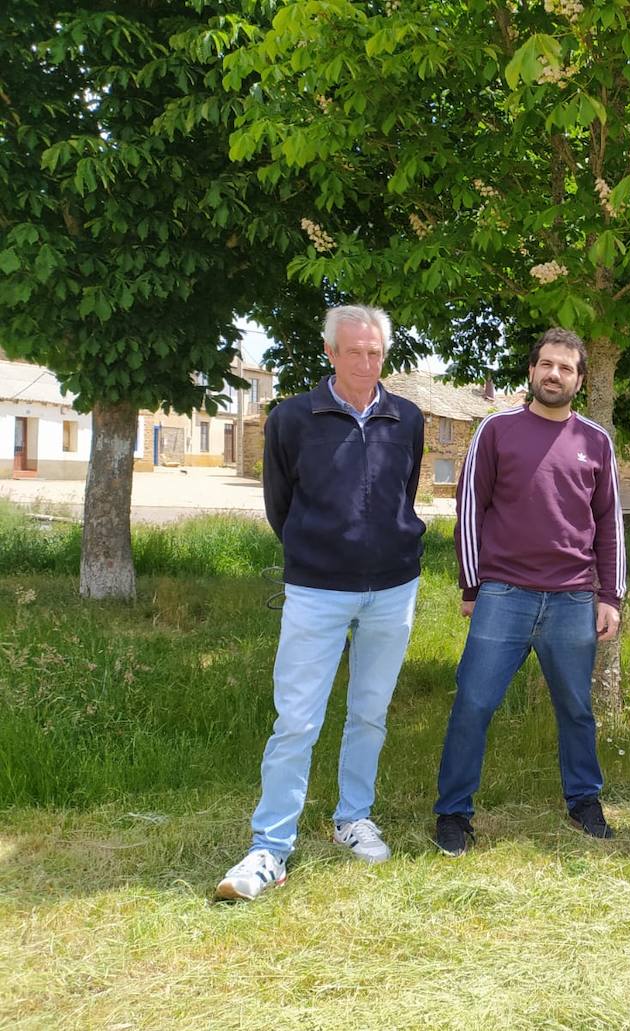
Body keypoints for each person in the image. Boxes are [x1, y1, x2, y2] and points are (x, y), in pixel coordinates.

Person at [217, 305, 425, 901]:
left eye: (375, 352)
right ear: (330, 353)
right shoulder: (291, 419)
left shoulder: (406, 418)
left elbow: (400, 497)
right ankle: (270, 847)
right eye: (354, 351)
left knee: (370, 713)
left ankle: (352, 820)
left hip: (393, 590)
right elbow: (281, 505)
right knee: (297, 721)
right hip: (315, 591)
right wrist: (320, 554)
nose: (366, 362)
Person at [433, 327, 625, 856]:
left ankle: (584, 802)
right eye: (546, 364)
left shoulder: (596, 441)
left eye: (565, 368)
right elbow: (469, 510)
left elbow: (609, 524)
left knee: (577, 710)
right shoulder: (497, 430)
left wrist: (610, 596)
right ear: (532, 371)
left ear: (580, 380)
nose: (554, 374)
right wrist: (472, 584)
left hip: (572, 599)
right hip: (505, 594)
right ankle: (453, 813)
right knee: (473, 703)